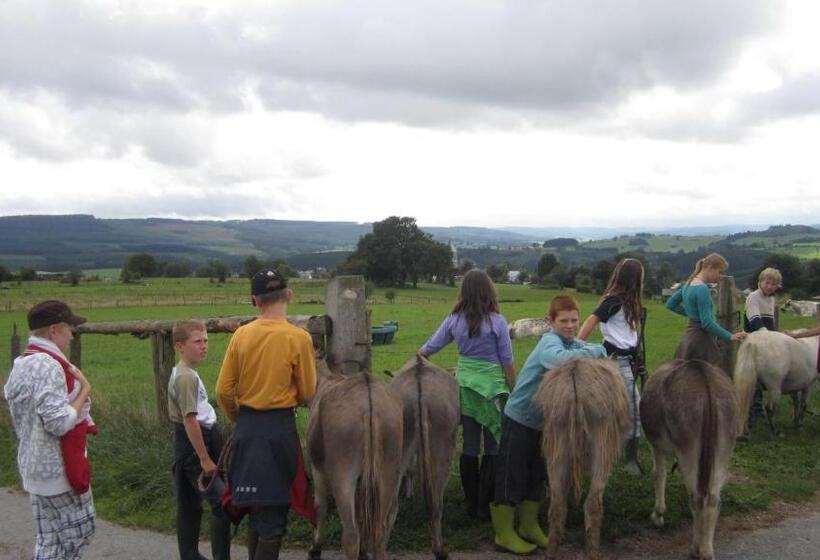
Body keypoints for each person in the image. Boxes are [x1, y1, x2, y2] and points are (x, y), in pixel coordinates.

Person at [491, 295, 606, 554]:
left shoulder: (570, 342)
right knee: (511, 474)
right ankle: (503, 533)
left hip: (546, 423)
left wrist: (595, 349)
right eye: (563, 320)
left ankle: (529, 525)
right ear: (550, 321)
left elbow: (596, 349)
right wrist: (595, 350)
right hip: (520, 418)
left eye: (574, 320)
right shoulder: (549, 342)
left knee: (538, 474)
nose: (570, 325)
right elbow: (560, 360)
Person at [216, 269, 317, 560]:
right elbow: (309, 392)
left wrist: (241, 420)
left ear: (254, 300)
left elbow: (223, 391)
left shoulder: (241, 335)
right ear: (289, 295)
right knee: (273, 517)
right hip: (279, 431)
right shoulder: (299, 338)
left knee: (254, 507)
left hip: (247, 429)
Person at [419, 269, 515, 521]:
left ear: (464, 292)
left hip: (465, 390)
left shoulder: (453, 320)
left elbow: (426, 350)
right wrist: (513, 390)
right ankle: (488, 503)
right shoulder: (498, 322)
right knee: (493, 446)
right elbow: (507, 362)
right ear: (489, 291)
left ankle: (471, 504)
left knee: (470, 446)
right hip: (494, 391)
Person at [4, 300, 96, 559]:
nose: (73, 333)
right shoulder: (48, 365)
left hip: (33, 464)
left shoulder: (22, 362)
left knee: (49, 539)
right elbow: (57, 423)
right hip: (57, 469)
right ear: (54, 330)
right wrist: (84, 392)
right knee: (80, 532)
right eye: (70, 327)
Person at [168, 320, 231, 560]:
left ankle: (190, 555)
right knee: (222, 504)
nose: (204, 346)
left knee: (190, 506)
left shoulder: (188, 373)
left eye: (205, 340)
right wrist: (204, 459)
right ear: (180, 346)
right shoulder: (186, 378)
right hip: (195, 448)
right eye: (197, 342)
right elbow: (190, 421)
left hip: (196, 444)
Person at [578, 257, 645, 476]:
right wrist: (575, 347)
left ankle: (611, 448)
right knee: (634, 407)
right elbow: (591, 320)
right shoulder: (615, 300)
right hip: (617, 361)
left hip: (628, 359)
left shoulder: (626, 300)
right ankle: (630, 459)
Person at [665, 253, 746, 366]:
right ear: (710, 268)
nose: (721, 276)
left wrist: (692, 315)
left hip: (689, 339)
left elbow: (670, 304)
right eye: (720, 271)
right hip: (702, 342)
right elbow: (707, 323)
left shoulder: (688, 284)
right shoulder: (702, 289)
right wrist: (730, 336)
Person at [743, 267, 782, 421]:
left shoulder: (771, 299)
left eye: (773, 284)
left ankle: (761, 407)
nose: (770, 286)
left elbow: (770, 322)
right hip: (754, 341)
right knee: (753, 377)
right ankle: (753, 409)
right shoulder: (753, 297)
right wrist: (770, 337)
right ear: (760, 282)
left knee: (765, 374)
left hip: (767, 340)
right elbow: (755, 320)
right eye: (767, 282)